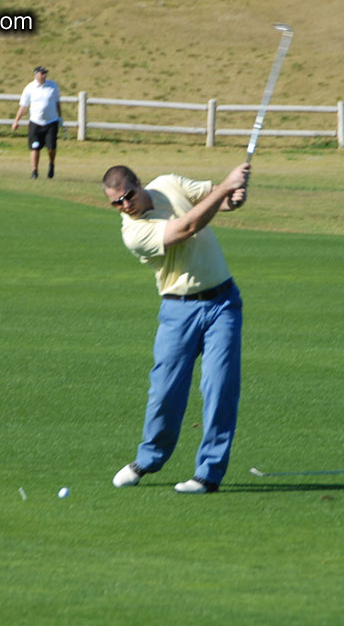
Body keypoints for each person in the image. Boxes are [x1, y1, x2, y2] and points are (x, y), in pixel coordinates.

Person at [104, 162, 250, 494]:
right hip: (178, 310)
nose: (125, 205)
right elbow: (187, 227)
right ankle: (149, 459)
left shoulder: (168, 183)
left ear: (139, 183)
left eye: (128, 196)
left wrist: (233, 196)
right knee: (165, 392)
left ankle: (208, 475)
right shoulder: (133, 232)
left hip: (223, 303)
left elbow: (217, 199)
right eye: (116, 203)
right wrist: (228, 185)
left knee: (219, 388)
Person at [12, 66, 61, 179]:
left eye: (45, 73)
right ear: (36, 74)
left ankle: (51, 164)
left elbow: (57, 102)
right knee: (35, 147)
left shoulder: (52, 86)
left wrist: (60, 117)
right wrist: (16, 121)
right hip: (35, 122)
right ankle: (34, 171)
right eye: (42, 73)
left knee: (51, 147)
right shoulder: (29, 88)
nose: (44, 75)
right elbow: (23, 106)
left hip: (51, 122)